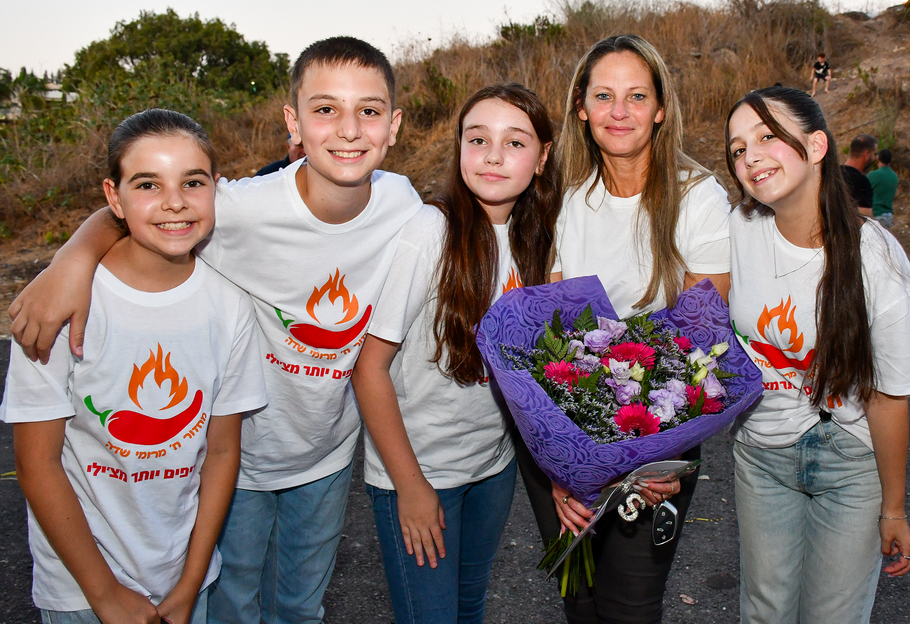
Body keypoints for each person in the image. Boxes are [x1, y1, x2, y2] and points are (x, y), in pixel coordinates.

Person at [6, 37, 423, 624]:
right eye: (326, 108)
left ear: (394, 125)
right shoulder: (239, 208)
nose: (350, 129)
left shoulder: (403, 203)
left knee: (301, 606)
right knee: (232, 605)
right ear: (294, 122)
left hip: (326, 451)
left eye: (369, 110)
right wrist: (73, 261)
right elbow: (151, 205)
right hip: (236, 459)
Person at [1, 109, 267, 624]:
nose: (174, 202)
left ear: (216, 188)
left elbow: (220, 451)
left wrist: (191, 581)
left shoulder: (230, 307)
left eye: (193, 182)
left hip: (183, 582)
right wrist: (105, 594)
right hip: (81, 590)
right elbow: (37, 464)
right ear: (114, 196)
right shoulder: (56, 306)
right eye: (148, 184)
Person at [516, 34, 732, 624]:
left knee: (629, 607)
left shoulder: (698, 197)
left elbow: (701, 341)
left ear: (660, 108)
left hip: (657, 435)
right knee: (580, 601)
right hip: (565, 435)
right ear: (581, 109)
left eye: (637, 96)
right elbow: (550, 344)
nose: (619, 111)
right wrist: (562, 463)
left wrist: (659, 458)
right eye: (604, 96)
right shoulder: (567, 201)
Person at [352, 83, 560, 624]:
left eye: (515, 142)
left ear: (542, 158)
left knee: (470, 607)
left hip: (492, 465)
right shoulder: (431, 231)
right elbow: (369, 368)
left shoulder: (537, 237)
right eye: (478, 139)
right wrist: (411, 488)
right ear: (460, 147)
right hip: (422, 473)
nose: (493, 156)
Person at [724, 86, 910, 623]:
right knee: (764, 610)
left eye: (767, 137)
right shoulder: (736, 230)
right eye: (739, 149)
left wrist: (893, 509)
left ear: (817, 146)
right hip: (762, 452)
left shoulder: (876, 256)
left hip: (851, 461)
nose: (751, 157)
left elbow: (887, 395)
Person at [841, 134, 876, 217]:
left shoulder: (832, 173)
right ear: (867, 154)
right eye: (874, 154)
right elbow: (866, 215)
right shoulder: (862, 182)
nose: (875, 158)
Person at [868, 149, 898, 229]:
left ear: (877, 159)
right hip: (889, 215)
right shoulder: (894, 176)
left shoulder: (873, 175)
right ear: (890, 161)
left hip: (877, 213)